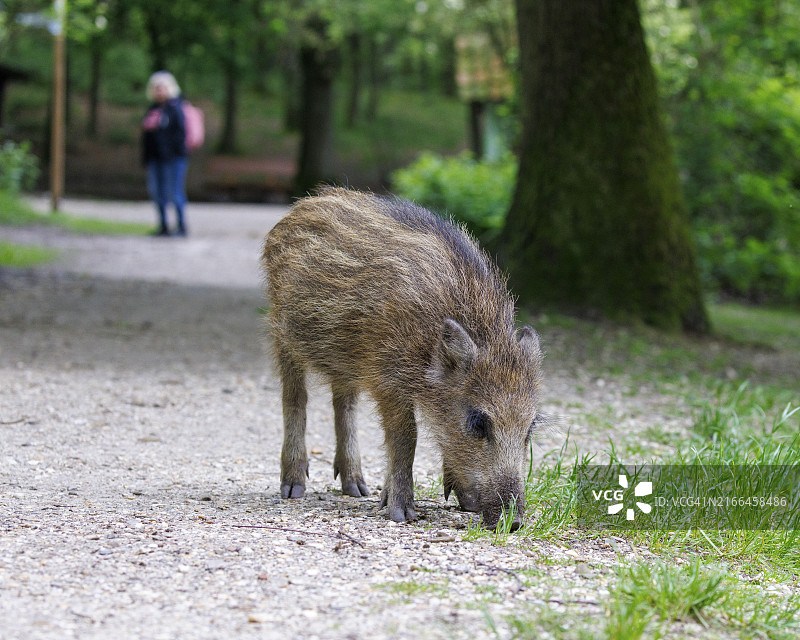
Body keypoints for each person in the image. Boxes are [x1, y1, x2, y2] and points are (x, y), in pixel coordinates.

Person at [141, 71, 188, 237]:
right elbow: (146, 138)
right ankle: (163, 226)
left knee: (175, 192)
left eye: (162, 88)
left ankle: (181, 226)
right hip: (155, 159)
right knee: (157, 192)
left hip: (174, 158)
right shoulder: (152, 109)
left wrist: (169, 150)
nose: (159, 91)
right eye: (156, 88)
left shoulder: (175, 109)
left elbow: (180, 135)